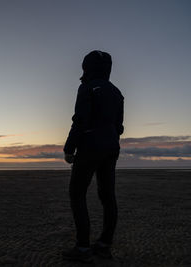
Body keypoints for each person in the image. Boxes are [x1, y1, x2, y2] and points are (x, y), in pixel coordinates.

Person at [62, 50, 124, 263]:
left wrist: (69, 148)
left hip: (90, 146)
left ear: (86, 67)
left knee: (77, 194)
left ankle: (82, 247)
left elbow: (80, 120)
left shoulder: (87, 87)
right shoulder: (117, 92)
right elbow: (119, 126)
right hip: (111, 148)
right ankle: (104, 245)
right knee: (107, 196)